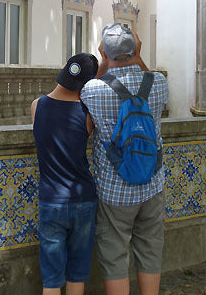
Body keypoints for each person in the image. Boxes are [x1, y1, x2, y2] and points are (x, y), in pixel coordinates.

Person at [80, 23, 169, 295]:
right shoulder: (159, 83)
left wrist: (104, 61)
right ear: (136, 48)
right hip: (153, 184)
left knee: (115, 256)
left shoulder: (93, 90)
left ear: (103, 52)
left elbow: (86, 121)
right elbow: (145, 73)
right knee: (150, 250)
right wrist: (137, 54)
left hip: (114, 191)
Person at [31, 52, 99, 295]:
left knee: (51, 278)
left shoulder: (37, 106)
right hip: (83, 199)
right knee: (77, 273)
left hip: (51, 200)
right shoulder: (87, 114)